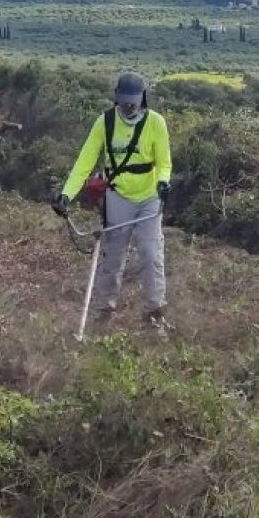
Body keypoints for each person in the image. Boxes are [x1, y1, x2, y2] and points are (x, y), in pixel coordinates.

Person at [52, 72, 172, 327]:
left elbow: (164, 163)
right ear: (116, 97)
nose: (129, 106)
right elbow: (84, 163)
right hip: (118, 196)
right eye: (124, 101)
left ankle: (154, 313)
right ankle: (103, 313)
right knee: (113, 256)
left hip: (150, 198)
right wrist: (66, 195)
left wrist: (163, 182)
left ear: (142, 99)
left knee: (151, 254)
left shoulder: (156, 123)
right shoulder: (104, 123)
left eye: (134, 101)